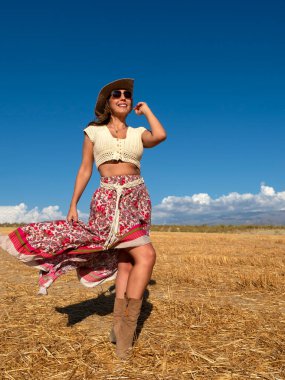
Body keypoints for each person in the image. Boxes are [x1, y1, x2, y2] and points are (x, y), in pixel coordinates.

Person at [0, 78, 167, 359]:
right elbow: (85, 170)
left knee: (127, 262)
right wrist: (73, 204)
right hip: (106, 199)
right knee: (146, 255)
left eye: (128, 94)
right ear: (107, 102)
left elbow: (160, 135)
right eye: (117, 94)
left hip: (136, 199)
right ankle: (125, 334)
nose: (124, 97)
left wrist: (147, 110)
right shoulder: (93, 132)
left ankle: (120, 331)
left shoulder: (138, 132)